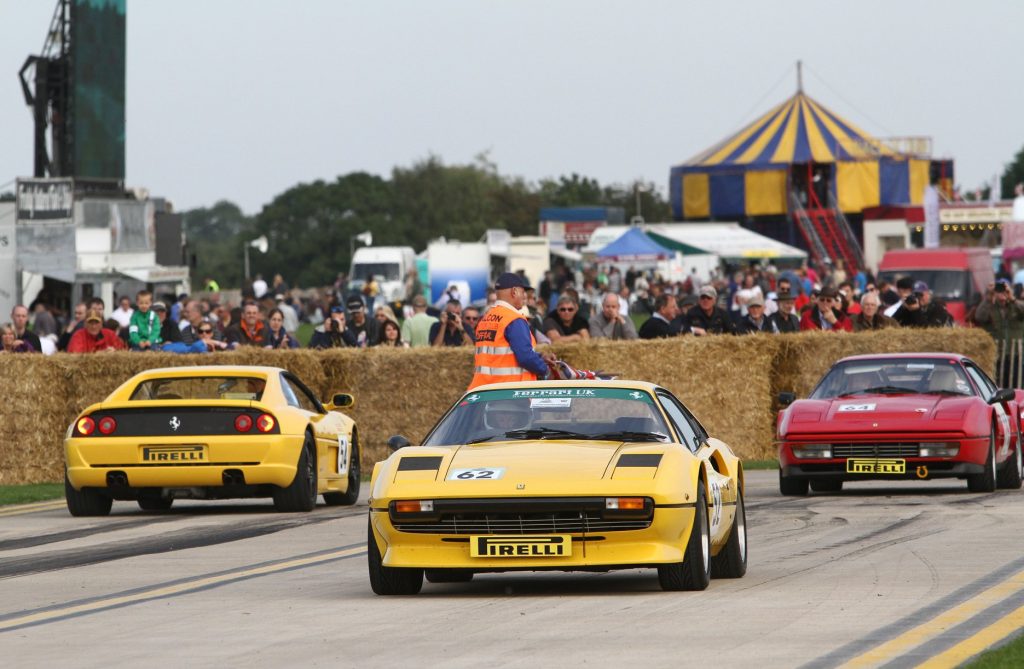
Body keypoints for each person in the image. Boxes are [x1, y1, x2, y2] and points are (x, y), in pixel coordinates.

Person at [468, 273, 555, 390]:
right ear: (514, 291)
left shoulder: (485, 318)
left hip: (484, 391)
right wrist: (546, 370)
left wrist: (539, 357)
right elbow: (526, 357)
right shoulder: (514, 319)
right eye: (523, 292)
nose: (524, 297)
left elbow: (504, 354)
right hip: (510, 393)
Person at [974, 280, 1024, 386]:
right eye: (999, 291)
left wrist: (1012, 299)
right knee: (997, 385)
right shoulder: (990, 306)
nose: (1002, 293)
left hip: (1015, 354)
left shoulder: (1016, 305)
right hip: (996, 354)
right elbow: (979, 316)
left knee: (1016, 385)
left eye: (1004, 290)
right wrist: (988, 297)